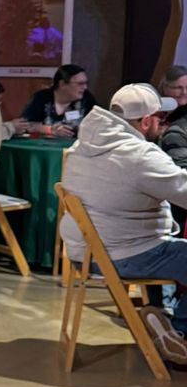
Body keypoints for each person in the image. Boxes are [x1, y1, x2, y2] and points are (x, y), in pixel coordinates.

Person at [59, 83, 187, 364]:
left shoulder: (84, 144)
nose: (163, 125)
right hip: (122, 255)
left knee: (170, 246)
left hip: (87, 252)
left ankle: (161, 314)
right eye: (161, 119)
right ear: (145, 122)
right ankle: (179, 336)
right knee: (174, 250)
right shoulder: (139, 155)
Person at [21, 63, 95, 137]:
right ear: (62, 84)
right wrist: (50, 130)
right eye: (80, 83)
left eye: (86, 83)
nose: (85, 87)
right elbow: (24, 126)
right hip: (44, 146)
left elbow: (99, 125)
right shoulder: (41, 97)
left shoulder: (87, 98)